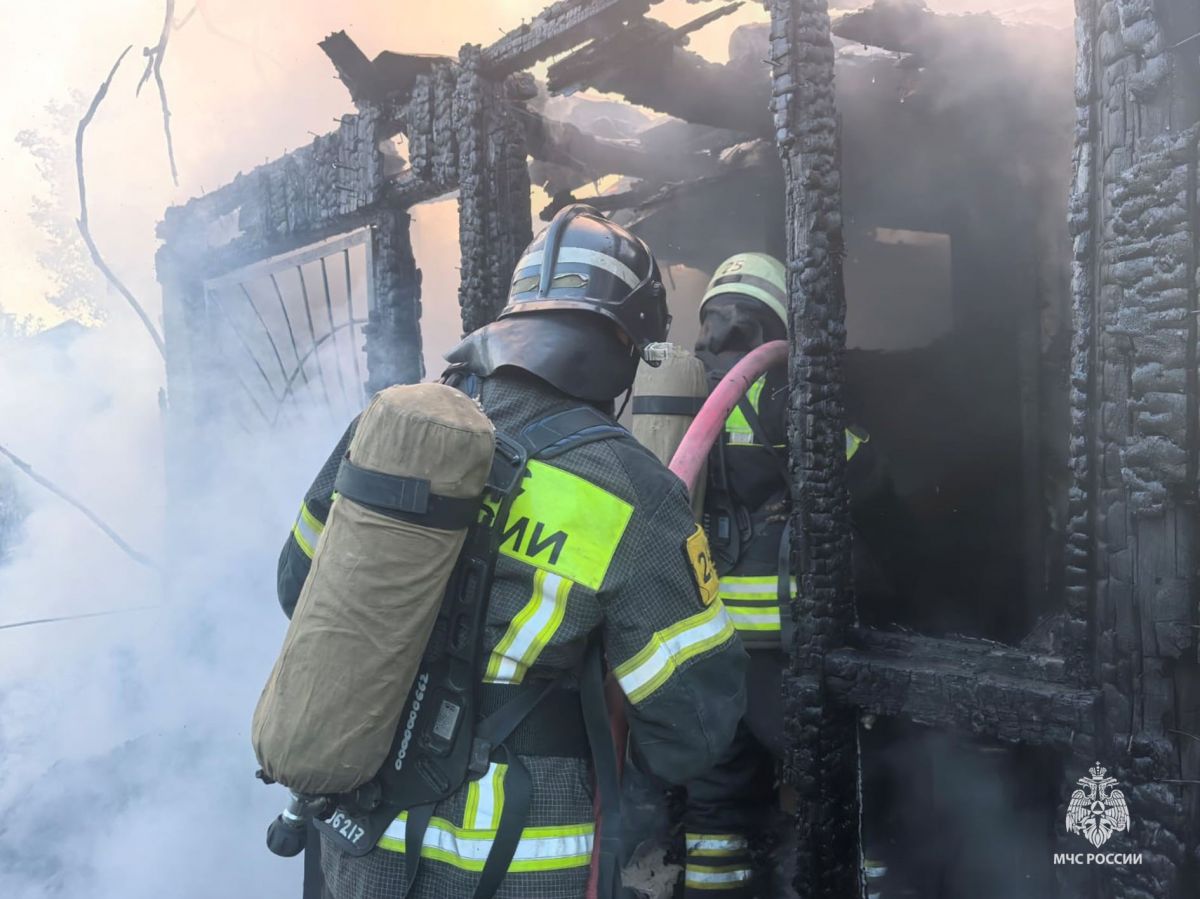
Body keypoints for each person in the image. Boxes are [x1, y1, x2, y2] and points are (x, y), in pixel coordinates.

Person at [276, 205, 749, 899]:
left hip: (358, 842)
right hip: (513, 861)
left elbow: (297, 585)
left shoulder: (391, 426)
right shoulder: (630, 491)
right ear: (623, 344)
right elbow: (694, 727)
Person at [679, 252, 907, 898]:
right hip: (787, 646)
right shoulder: (780, 391)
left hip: (705, 643)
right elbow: (867, 477)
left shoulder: (681, 391)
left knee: (717, 805)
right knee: (847, 783)